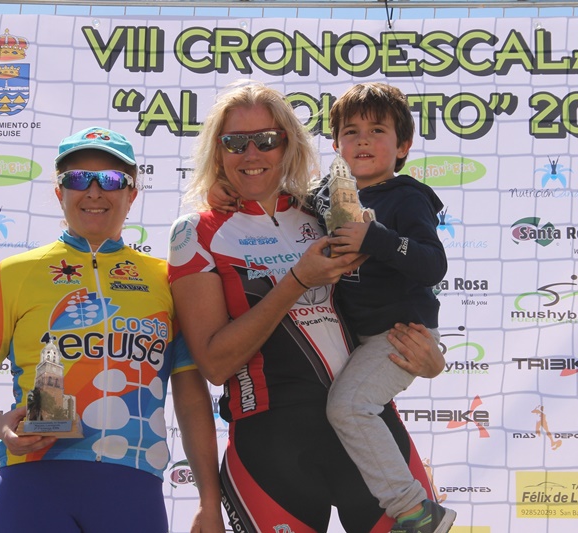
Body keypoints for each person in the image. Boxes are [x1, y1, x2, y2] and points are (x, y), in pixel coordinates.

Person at [168, 81, 446, 533]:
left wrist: (431, 359)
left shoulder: (325, 211)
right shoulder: (197, 231)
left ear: (290, 145)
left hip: (368, 435)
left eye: (268, 140)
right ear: (218, 151)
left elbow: (399, 283)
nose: (252, 152)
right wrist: (298, 280)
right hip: (272, 448)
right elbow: (215, 365)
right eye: (236, 143)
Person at [0, 126, 224, 533]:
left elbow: (192, 398)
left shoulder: (167, 281)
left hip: (132, 486)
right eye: (77, 179)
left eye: (111, 180)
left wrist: (209, 500)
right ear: (59, 192)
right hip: (33, 482)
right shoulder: (13, 275)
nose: (94, 192)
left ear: (132, 194)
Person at [317, 82, 453, 533]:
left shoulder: (406, 196)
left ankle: (415, 509)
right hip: (357, 341)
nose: (362, 140)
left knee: (350, 408)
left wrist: (373, 239)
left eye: (377, 130)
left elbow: (433, 265)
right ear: (336, 145)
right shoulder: (326, 195)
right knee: (347, 410)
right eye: (350, 131)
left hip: (401, 336)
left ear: (403, 146)